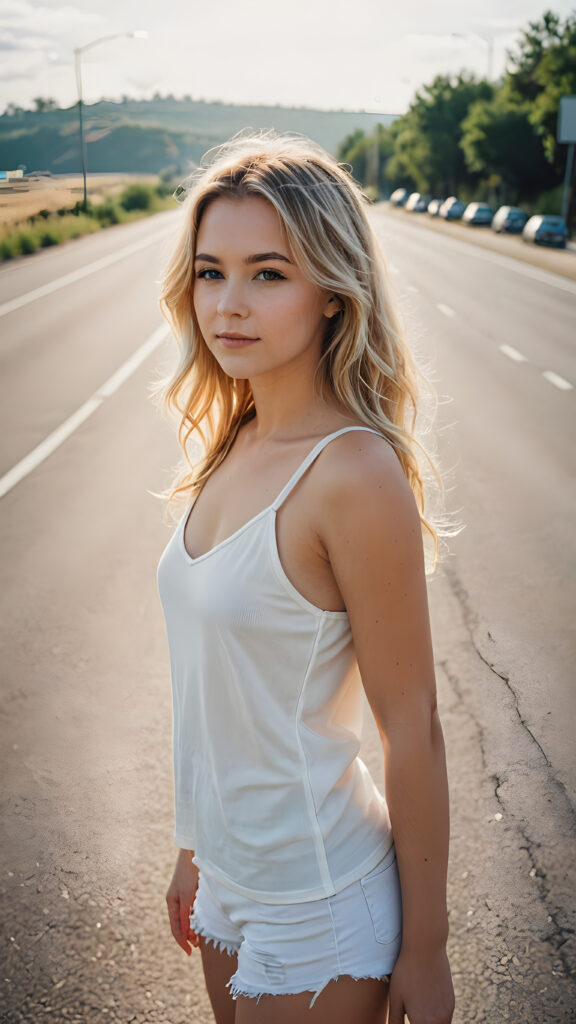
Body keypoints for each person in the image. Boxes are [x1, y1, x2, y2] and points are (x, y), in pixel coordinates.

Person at [156, 132, 455, 1024]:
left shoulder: (353, 473)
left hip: (320, 896)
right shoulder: (235, 438)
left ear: (332, 291)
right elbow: (213, 693)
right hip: (227, 878)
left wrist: (427, 948)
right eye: (211, 273)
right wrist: (194, 850)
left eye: (268, 274)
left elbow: (414, 725)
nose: (229, 304)